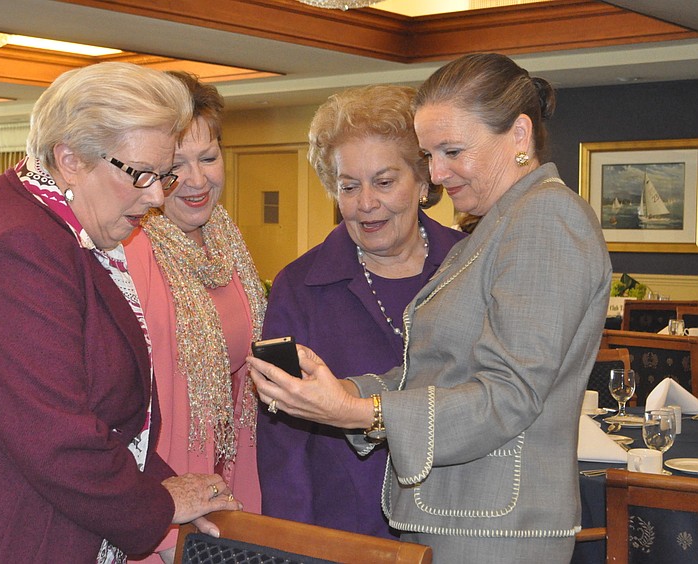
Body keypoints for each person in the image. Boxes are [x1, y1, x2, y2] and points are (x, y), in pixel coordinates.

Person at [0, 62, 241, 564]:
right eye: (142, 174)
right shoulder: (13, 245)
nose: (157, 196)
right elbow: (52, 431)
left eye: (162, 175)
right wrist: (160, 501)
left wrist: (168, 487)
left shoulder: (54, 226)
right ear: (70, 158)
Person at [248, 53, 612, 563]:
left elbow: (509, 396)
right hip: (460, 523)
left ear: (519, 135)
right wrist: (345, 392)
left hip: (497, 531)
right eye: (430, 154)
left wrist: (359, 411)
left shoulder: (546, 219)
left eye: (451, 151)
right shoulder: (495, 228)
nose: (438, 172)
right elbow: (438, 372)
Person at [255, 84, 465, 539]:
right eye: (349, 186)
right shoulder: (295, 285)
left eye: (384, 182)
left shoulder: (469, 264)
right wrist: (292, 541)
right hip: (343, 528)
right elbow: (280, 434)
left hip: (459, 522)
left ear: (423, 181)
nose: (366, 203)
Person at [124, 71, 266, 563]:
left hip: (227, 487)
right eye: (175, 165)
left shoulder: (228, 241)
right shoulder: (131, 248)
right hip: (158, 503)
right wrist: (162, 525)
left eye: (209, 158)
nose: (198, 180)